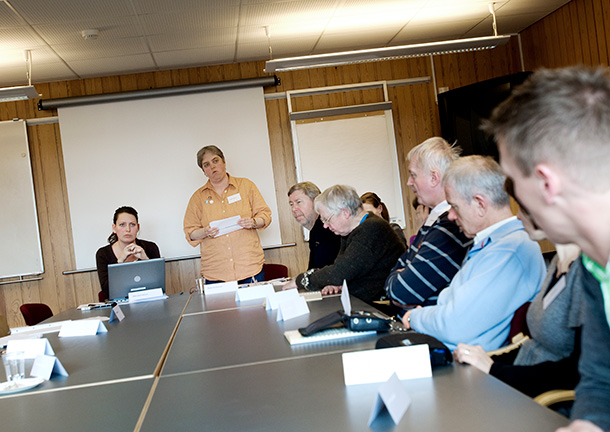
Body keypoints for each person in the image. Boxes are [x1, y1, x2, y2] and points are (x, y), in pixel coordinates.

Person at [484, 66, 610, 432]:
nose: (513, 199)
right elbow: (600, 382)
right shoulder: (593, 266)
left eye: (514, 178)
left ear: (545, 183)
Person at [454, 180, 587, 400]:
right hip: (519, 385)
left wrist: (494, 369)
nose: (518, 217)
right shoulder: (557, 263)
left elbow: (574, 371)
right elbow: (533, 346)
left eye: (524, 209)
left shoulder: (585, 274)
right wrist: (486, 359)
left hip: (545, 402)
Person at [402, 155, 546, 351]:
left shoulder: (511, 250)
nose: (451, 216)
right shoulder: (493, 244)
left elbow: (455, 325)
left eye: (454, 206)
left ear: (480, 204)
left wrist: (415, 317)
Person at [384, 137, 471, 309]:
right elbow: (398, 271)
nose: (409, 182)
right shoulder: (435, 222)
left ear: (434, 178)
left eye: (413, 175)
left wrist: (399, 277)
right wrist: (398, 275)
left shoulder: (449, 227)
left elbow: (402, 292)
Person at [283, 185, 405, 305]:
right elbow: (341, 269)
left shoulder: (372, 228)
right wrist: (335, 282)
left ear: (345, 213)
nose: (325, 225)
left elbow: (339, 272)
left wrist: (300, 281)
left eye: (327, 219)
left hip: (380, 305)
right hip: (362, 301)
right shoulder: (351, 231)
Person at [183, 145, 271, 283]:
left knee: (257, 305)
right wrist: (205, 232)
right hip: (216, 273)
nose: (212, 166)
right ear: (204, 171)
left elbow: (265, 215)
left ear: (224, 162)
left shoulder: (246, 186)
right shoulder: (197, 197)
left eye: (215, 160)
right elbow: (190, 233)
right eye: (206, 164)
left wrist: (253, 222)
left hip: (249, 267)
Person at [96, 206, 161, 300]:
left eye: (132, 224)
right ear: (114, 228)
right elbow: (107, 291)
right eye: (122, 224)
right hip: (119, 305)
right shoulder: (103, 254)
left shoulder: (151, 247)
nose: (128, 229)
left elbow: (158, 285)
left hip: (148, 302)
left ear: (138, 227)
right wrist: (120, 261)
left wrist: (145, 260)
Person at [288, 182, 341, 270]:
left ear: (316, 201)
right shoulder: (314, 231)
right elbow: (313, 270)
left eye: (299, 202)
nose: (293, 209)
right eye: (291, 204)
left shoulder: (330, 229)